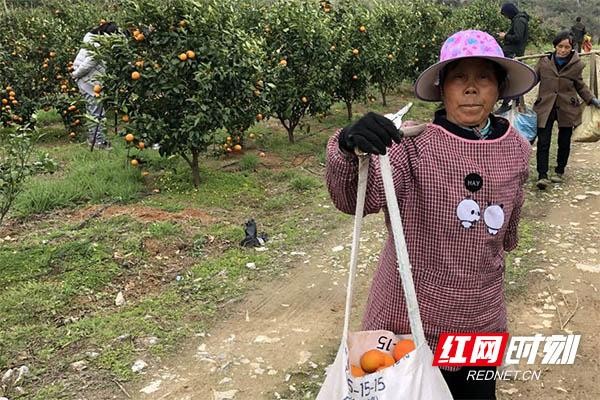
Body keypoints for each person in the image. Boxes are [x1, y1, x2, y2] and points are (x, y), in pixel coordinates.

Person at [326, 30, 536, 399]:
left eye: (484, 78)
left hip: (479, 319)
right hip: (407, 321)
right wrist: (347, 147)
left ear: (500, 88)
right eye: (459, 78)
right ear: (442, 88)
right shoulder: (411, 146)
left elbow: (508, 228)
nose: (471, 89)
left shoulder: (516, 148)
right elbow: (354, 199)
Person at [532, 30, 600, 190]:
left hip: (567, 108)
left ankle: (559, 171)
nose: (563, 50)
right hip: (545, 107)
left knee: (564, 142)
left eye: (567, 47)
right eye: (560, 46)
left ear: (572, 48)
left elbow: (580, 86)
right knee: (543, 142)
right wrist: (517, 90)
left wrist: (592, 100)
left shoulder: (576, 65)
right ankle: (542, 175)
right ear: (555, 46)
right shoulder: (544, 62)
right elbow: (532, 79)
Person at [71, 22, 118, 149]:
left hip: (90, 80)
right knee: (95, 112)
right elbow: (88, 64)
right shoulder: (98, 46)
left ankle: (95, 140)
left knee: (94, 111)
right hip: (88, 81)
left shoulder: (92, 40)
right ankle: (97, 142)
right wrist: (75, 74)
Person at [496, 2, 530, 114]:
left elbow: (518, 37)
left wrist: (505, 36)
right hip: (513, 51)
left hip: (513, 53)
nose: (506, 17)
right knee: (511, 77)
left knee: (510, 78)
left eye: (506, 14)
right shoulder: (518, 19)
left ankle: (506, 104)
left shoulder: (519, 20)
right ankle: (515, 101)